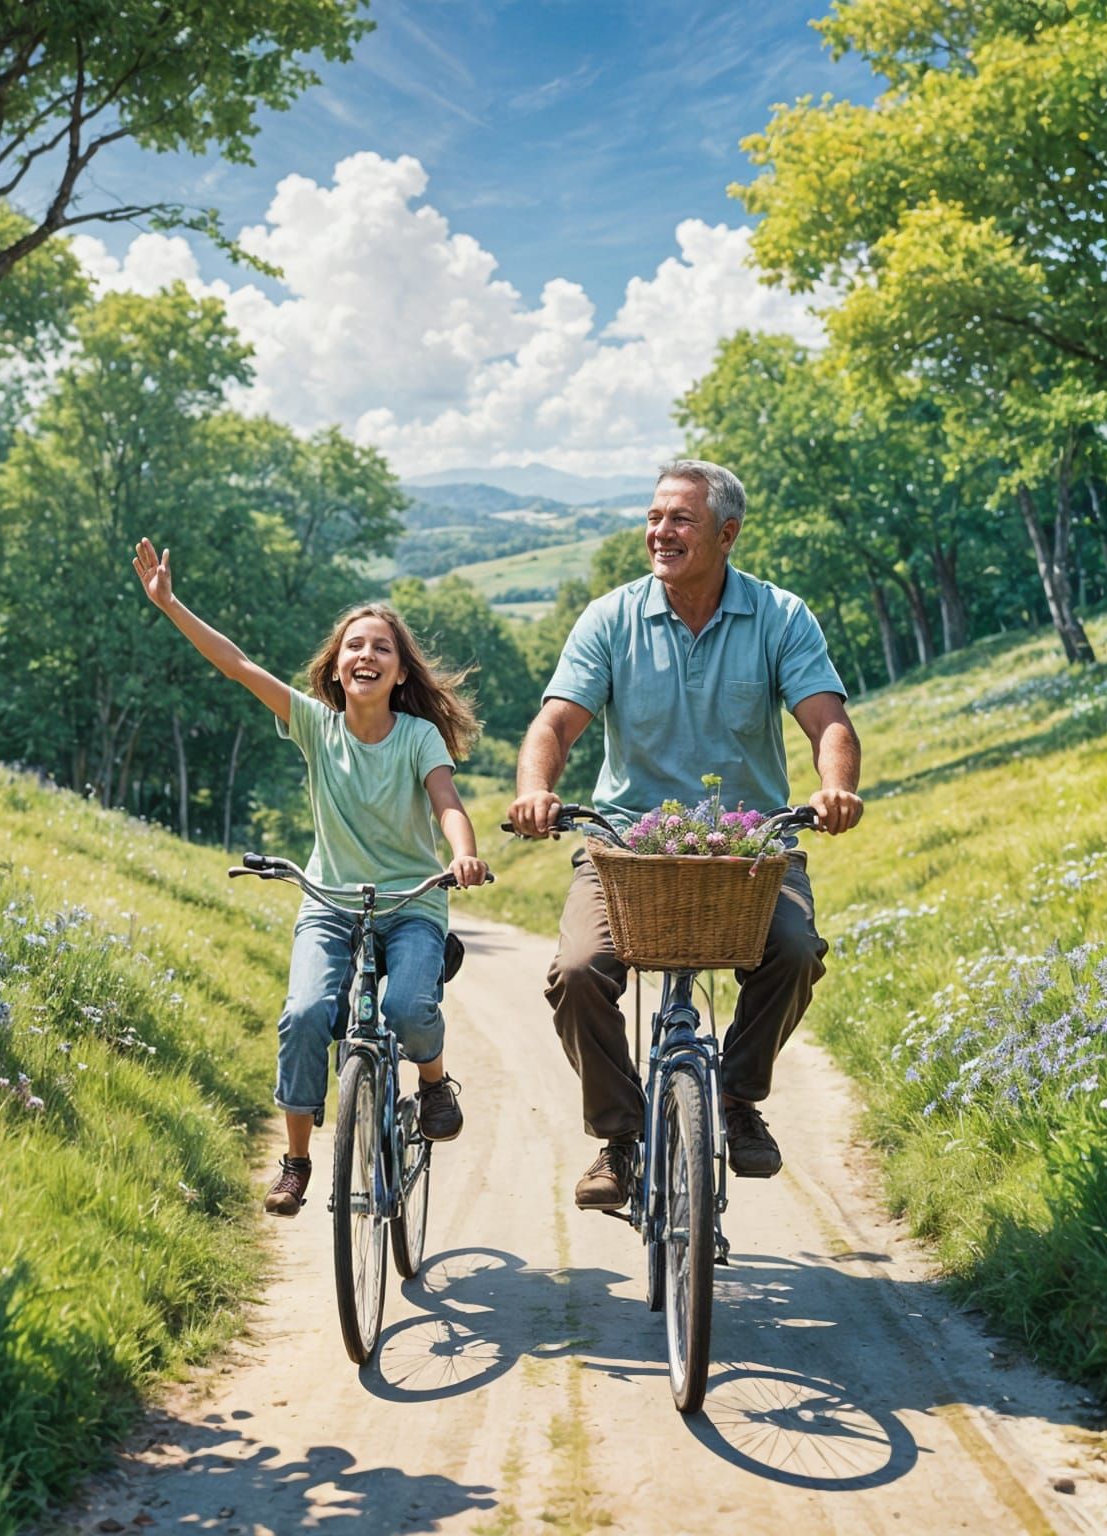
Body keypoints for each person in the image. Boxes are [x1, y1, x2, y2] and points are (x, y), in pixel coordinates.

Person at [507, 460, 863, 1211]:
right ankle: (620, 1136)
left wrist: (835, 787)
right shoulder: (610, 618)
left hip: (749, 848)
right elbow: (557, 722)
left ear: (727, 535)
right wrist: (535, 788)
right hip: (626, 847)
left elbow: (827, 719)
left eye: (680, 520)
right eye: (654, 517)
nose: (659, 532)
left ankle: (736, 1099)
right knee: (578, 972)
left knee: (795, 950)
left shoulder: (779, 616)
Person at [133, 538, 491, 1218]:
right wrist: (171, 605)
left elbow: (448, 804)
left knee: (408, 1010)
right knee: (303, 1016)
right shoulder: (315, 727)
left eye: (382, 647)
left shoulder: (417, 738)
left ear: (400, 673)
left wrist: (463, 854)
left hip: (414, 903)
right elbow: (236, 666)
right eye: (354, 645)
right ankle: (297, 1161)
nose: (366, 655)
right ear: (336, 665)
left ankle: (436, 1082)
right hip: (330, 904)